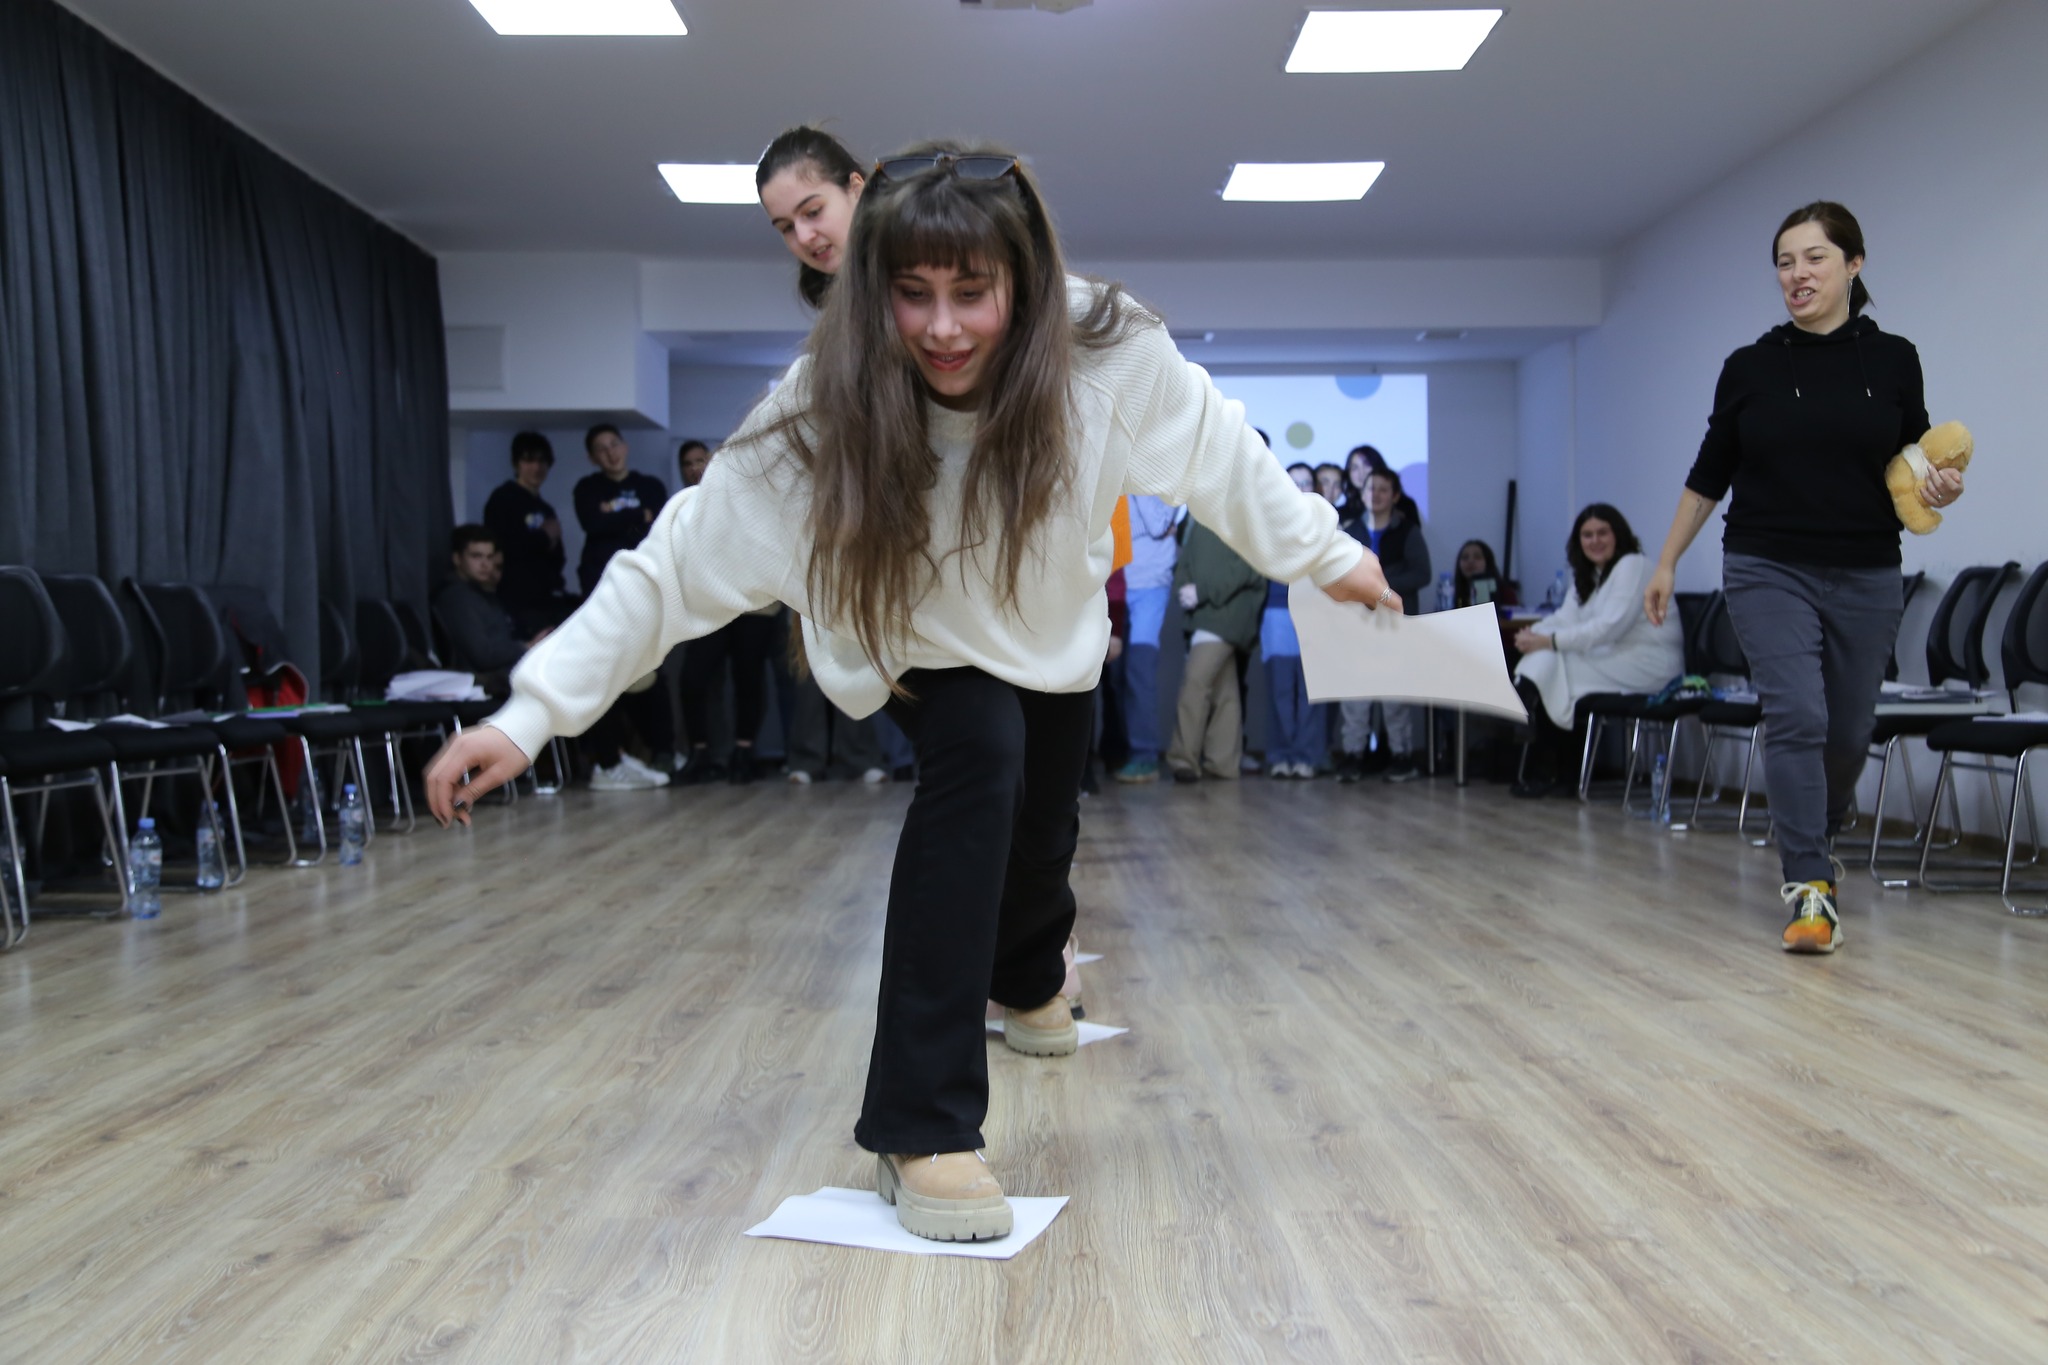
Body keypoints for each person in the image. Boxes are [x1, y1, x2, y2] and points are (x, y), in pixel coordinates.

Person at [423, 142, 1399, 1243]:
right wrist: (532, 712)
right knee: (980, 756)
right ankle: (919, 1124)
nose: (942, 328)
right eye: (912, 295)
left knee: (1043, 831)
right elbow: (678, 560)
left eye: (971, 293)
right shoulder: (824, 400)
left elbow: (1222, 455)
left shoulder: (1106, 350)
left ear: (1023, 282)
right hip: (911, 637)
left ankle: (1026, 978)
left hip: (1048, 631)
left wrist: (1329, 558)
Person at [1643, 201, 1960, 955]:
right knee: (1797, 718)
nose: (1797, 274)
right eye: (1785, 262)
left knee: (1847, 732)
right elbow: (1709, 475)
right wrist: (1666, 561)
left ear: (1854, 264)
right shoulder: (1749, 368)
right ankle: (1809, 886)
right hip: (1766, 565)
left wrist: (1941, 487)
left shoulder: (1894, 359)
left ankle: (1819, 828)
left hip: (1867, 568)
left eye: (1814, 257)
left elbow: (1914, 461)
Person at [757, 126, 889, 785]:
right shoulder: (830, 336)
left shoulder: (917, 260)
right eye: (786, 227)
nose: (804, 237)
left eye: (813, 211)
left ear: (856, 188)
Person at [1511, 504, 1681, 797]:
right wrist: (1533, 634)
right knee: (1551, 665)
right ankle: (1558, 770)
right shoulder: (1588, 574)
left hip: (1649, 663)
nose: (1595, 541)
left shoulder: (1633, 565)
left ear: (1619, 535)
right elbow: (1564, 618)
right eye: (1587, 535)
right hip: (1611, 659)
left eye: (1603, 533)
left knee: (1557, 668)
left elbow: (1609, 628)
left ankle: (1546, 757)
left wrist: (1549, 641)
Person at [572, 423, 676, 788]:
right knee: (604, 675)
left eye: (614, 444)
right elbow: (593, 523)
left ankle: (663, 752)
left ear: (625, 446)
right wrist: (636, 516)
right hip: (601, 597)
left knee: (650, 674)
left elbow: (656, 527)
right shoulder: (587, 489)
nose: (610, 453)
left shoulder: (650, 486)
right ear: (592, 457)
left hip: (643, 594)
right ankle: (609, 760)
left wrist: (615, 518)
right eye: (601, 448)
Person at [673, 441, 780, 785]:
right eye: (688, 463)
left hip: (754, 605)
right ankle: (700, 754)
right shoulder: (684, 507)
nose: (695, 468)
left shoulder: (752, 499)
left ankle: (743, 753)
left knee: (748, 676)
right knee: (693, 678)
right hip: (710, 606)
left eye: (701, 461)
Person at [1336, 467, 1432, 782]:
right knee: (1355, 696)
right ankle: (1353, 756)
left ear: (1395, 496)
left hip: (1394, 624)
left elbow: (1422, 574)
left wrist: (1382, 586)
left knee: (1394, 698)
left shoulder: (1408, 531)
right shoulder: (1349, 530)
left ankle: (1402, 757)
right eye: (1370, 488)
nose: (1375, 494)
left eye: (1382, 489)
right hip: (1357, 624)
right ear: (1362, 494)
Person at [1165, 515, 1265, 783]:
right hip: (1204, 612)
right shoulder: (1201, 516)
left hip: (1226, 614)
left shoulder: (1244, 516)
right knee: (1225, 690)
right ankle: (1223, 763)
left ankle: (1183, 759)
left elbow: (1248, 567)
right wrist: (1185, 589)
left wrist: (1201, 591)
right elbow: (1188, 558)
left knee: (1195, 683)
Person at [1263, 463, 1329, 778]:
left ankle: (1306, 757)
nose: (1300, 488)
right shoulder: (1267, 523)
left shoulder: (1327, 525)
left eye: (1306, 482)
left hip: (1315, 615)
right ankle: (1281, 755)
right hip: (1276, 613)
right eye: (1294, 482)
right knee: (1279, 690)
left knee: (1310, 692)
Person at [1110, 493, 1180, 782]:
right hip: (1119, 583)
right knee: (1117, 676)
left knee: (1139, 672)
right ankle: (1128, 752)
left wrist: (1137, 488)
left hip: (1151, 584)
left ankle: (1145, 757)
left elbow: (1157, 523)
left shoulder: (1158, 483)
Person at [434, 525, 549, 694]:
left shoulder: (479, 594)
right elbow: (483, 655)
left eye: (489, 557)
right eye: (476, 556)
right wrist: (527, 646)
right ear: (457, 559)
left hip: (501, 677)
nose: (485, 564)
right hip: (483, 683)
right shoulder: (457, 598)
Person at [482, 431, 570, 633]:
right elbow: (503, 546)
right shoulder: (503, 498)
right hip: (516, 597)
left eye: (542, 461)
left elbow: (558, 556)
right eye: (529, 461)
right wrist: (544, 537)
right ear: (516, 464)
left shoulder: (545, 508)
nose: (536, 468)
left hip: (546, 595)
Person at [1452, 539, 1514, 609]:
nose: (1470, 561)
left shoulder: (1506, 593)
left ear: (1488, 562)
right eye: (1465, 557)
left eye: (1477, 557)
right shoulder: (1452, 594)